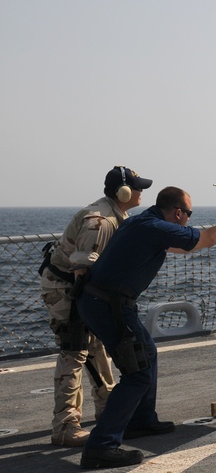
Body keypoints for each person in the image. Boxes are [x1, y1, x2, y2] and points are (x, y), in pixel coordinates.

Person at [76, 187, 216, 469]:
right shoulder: (155, 226)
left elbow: (183, 246)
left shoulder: (144, 223)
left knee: (147, 354)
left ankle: (140, 421)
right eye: (188, 214)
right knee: (138, 373)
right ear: (178, 213)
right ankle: (100, 446)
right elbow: (203, 239)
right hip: (108, 305)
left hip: (102, 300)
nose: (189, 220)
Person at [40, 166, 153, 446]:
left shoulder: (114, 215)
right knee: (74, 350)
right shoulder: (100, 222)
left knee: (95, 345)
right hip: (67, 289)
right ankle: (65, 426)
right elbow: (82, 270)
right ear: (124, 192)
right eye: (137, 187)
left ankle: (106, 408)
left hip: (80, 288)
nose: (140, 192)